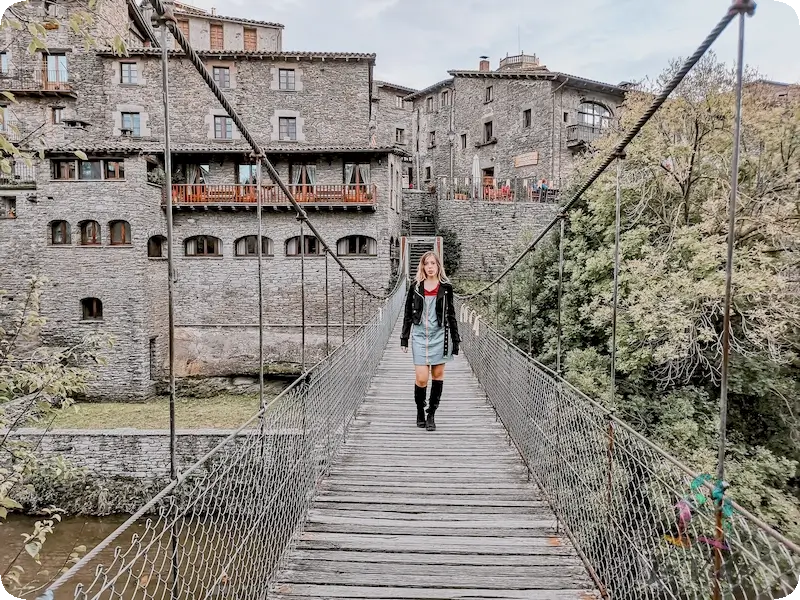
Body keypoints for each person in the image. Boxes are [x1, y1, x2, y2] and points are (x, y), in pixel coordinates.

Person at [400, 251, 460, 431]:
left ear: (438, 266)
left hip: (441, 335)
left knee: (438, 376)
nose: (431, 266)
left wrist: (456, 340)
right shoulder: (415, 287)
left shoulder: (446, 287)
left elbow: (451, 314)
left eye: (434, 263)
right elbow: (408, 314)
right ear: (423, 266)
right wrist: (404, 338)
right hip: (419, 335)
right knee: (421, 378)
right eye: (427, 263)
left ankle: (431, 414)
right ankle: (420, 410)